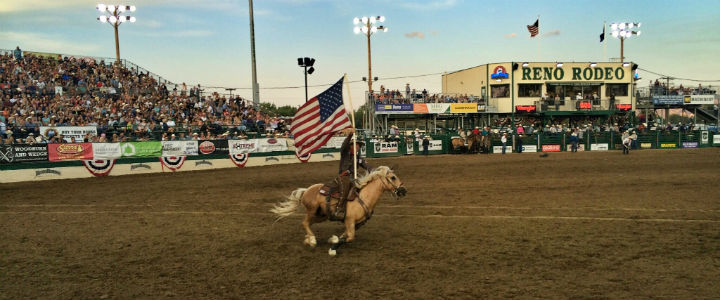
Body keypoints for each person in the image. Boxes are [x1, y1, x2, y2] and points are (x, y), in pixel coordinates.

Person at [332, 128, 372, 220]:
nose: (358, 147)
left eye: (358, 146)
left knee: (364, 185)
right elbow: (344, 145)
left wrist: (375, 171)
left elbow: (366, 165)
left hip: (354, 177)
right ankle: (339, 208)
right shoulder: (345, 153)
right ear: (351, 146)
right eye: (356, 145)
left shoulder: (358, 157)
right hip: (344, 176)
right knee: (346, 187)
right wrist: (350, 135)